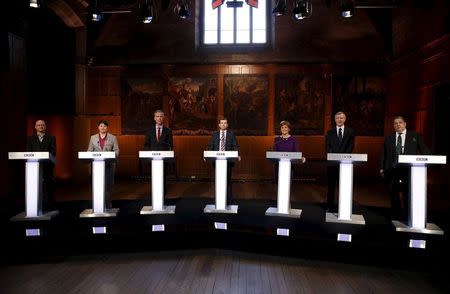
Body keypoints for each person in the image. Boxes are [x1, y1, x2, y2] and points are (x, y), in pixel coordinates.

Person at [380, 116, 430, 220]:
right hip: (392, 170)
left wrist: (430, 160)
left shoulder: (414, 136)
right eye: (395, 123)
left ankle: (408, 216)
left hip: (408, 171)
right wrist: (382, 167)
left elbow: (424, 150)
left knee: (408, 194)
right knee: (394, 195)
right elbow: (383, 154)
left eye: (400, 122)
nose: (398, 125)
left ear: (405, 124)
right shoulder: (389, 138)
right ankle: (396, 217)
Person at [325, 111, 355, 212]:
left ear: (345, 119)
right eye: (337, 118)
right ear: (335, 120)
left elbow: (351, 147)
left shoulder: (350, 131)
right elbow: (327, 147)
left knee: (344, 186)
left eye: (341, 118)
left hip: (345, 164)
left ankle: (344, 206)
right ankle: (330, 206)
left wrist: (343, 158)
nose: (339, 120)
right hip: (332, 164)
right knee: (331, 186)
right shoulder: (330, 132)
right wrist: (334, 157)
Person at [87, 120, 120, 209]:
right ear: (98, 127)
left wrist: (111, 156)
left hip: (109, 165)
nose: (103, 127)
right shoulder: (93, 138)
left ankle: (108, 206)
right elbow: (89, 151)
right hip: (97, 166)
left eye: (105, 126)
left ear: (107, 128)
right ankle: (97, 206)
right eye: (101, 126)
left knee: (108, 186)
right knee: (97, 186)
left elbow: (116, 151)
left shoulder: (112, 137)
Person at [207, 117, 239, 204]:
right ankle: (217, 199)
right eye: (222, 123)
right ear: (219, 125)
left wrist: (236, 154)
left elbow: (235, 146)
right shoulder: (215, 135)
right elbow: (210, 146)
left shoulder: (231, 134)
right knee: (217, 180)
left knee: (227, 180)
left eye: (225, 123)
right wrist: (207, 155)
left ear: (227, 125)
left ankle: (228, 200)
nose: (223, 124)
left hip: (228, 162)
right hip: (217, 161)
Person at [26, 119, 56, 211]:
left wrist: (45, 158)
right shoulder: (30, 139)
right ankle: (35, 206)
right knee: (35, 187)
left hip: (47, 166)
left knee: (49, 186)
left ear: (45, 127)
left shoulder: (51, 138)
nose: (41, 126)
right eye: (38, 125)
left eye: (42, 125)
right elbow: (28, 152)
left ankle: (50, 207)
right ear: (35, 127)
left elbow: (53, 152)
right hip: (34, 167)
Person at [144, 110, 174, 198]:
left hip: (164, 160)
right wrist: (148, 156)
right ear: (154, 118)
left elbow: (170, 145)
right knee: (154, 178)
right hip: (152, 159)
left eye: (161, 116)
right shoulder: (149, 130)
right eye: (157, 116)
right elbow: (146, 145)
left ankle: (162, 198)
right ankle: (155, 197)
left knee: (163, 178)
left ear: (163, 118)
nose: (159, 118)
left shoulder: (168, 131)